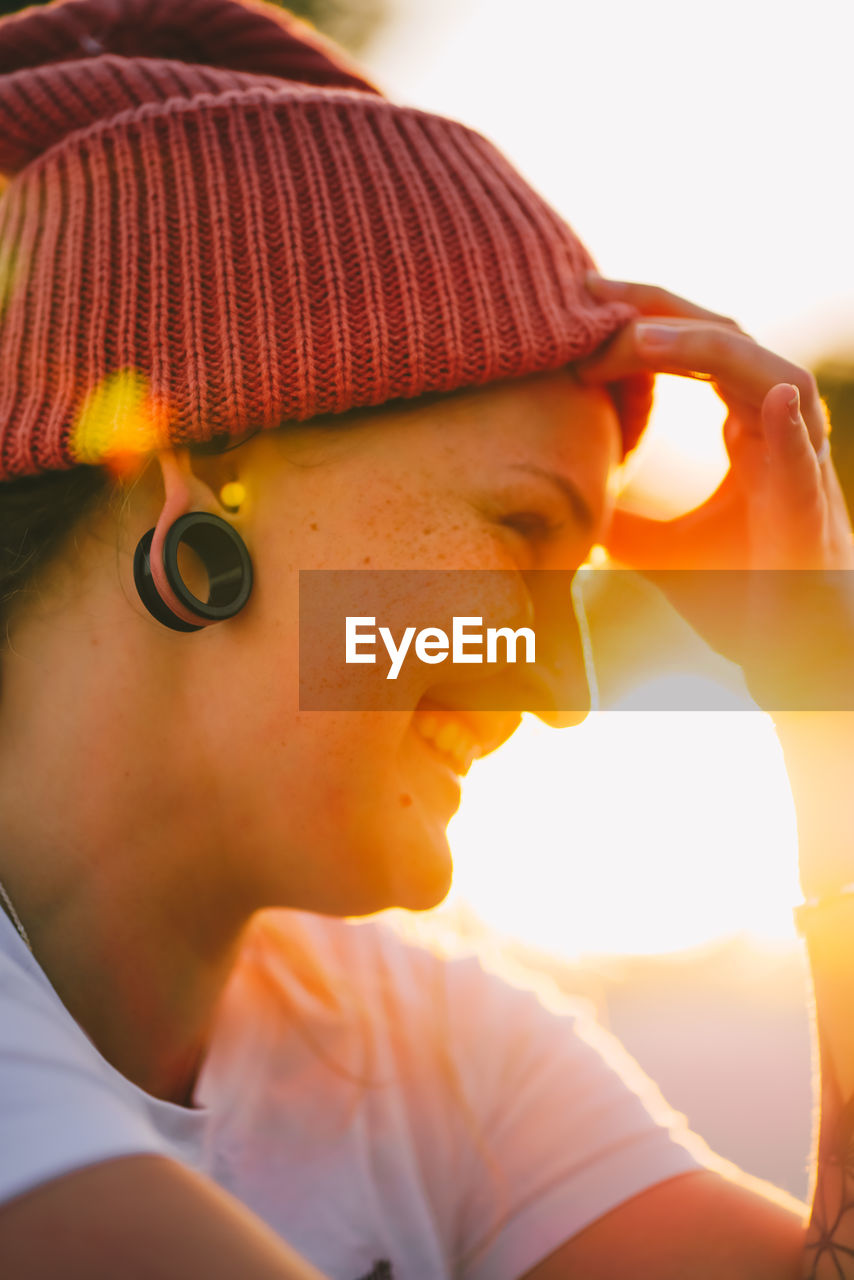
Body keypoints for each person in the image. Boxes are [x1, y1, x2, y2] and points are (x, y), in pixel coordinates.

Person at [0, 1, 851, 1278]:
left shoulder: (432, 1048)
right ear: (212, 466)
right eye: (521, 531)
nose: (561, 692)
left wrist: (823, 690)